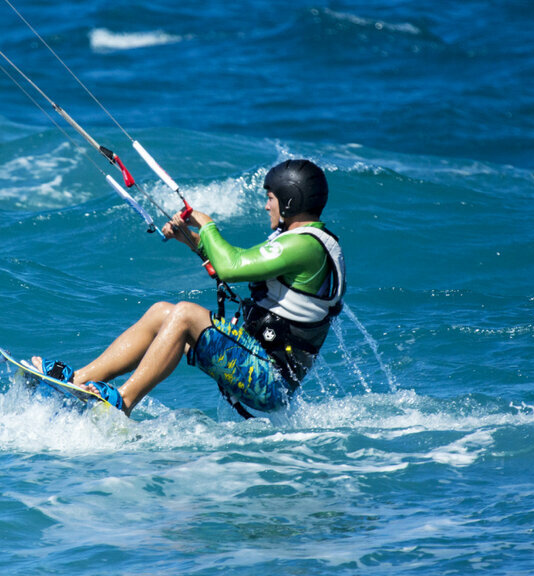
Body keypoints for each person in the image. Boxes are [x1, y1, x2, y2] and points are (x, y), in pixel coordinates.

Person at [35, 159, 345, 417]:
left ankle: (124, 401)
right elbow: (239, 265)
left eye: (271, 198)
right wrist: (191, 239)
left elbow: (231, 267)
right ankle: (78, 381)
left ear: (290, 200)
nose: (266, 207)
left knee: (185, 315)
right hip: (254, 363)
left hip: (269, 381)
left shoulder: (306, 246)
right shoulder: (299, 242)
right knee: (162, 313)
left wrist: (206, 223)